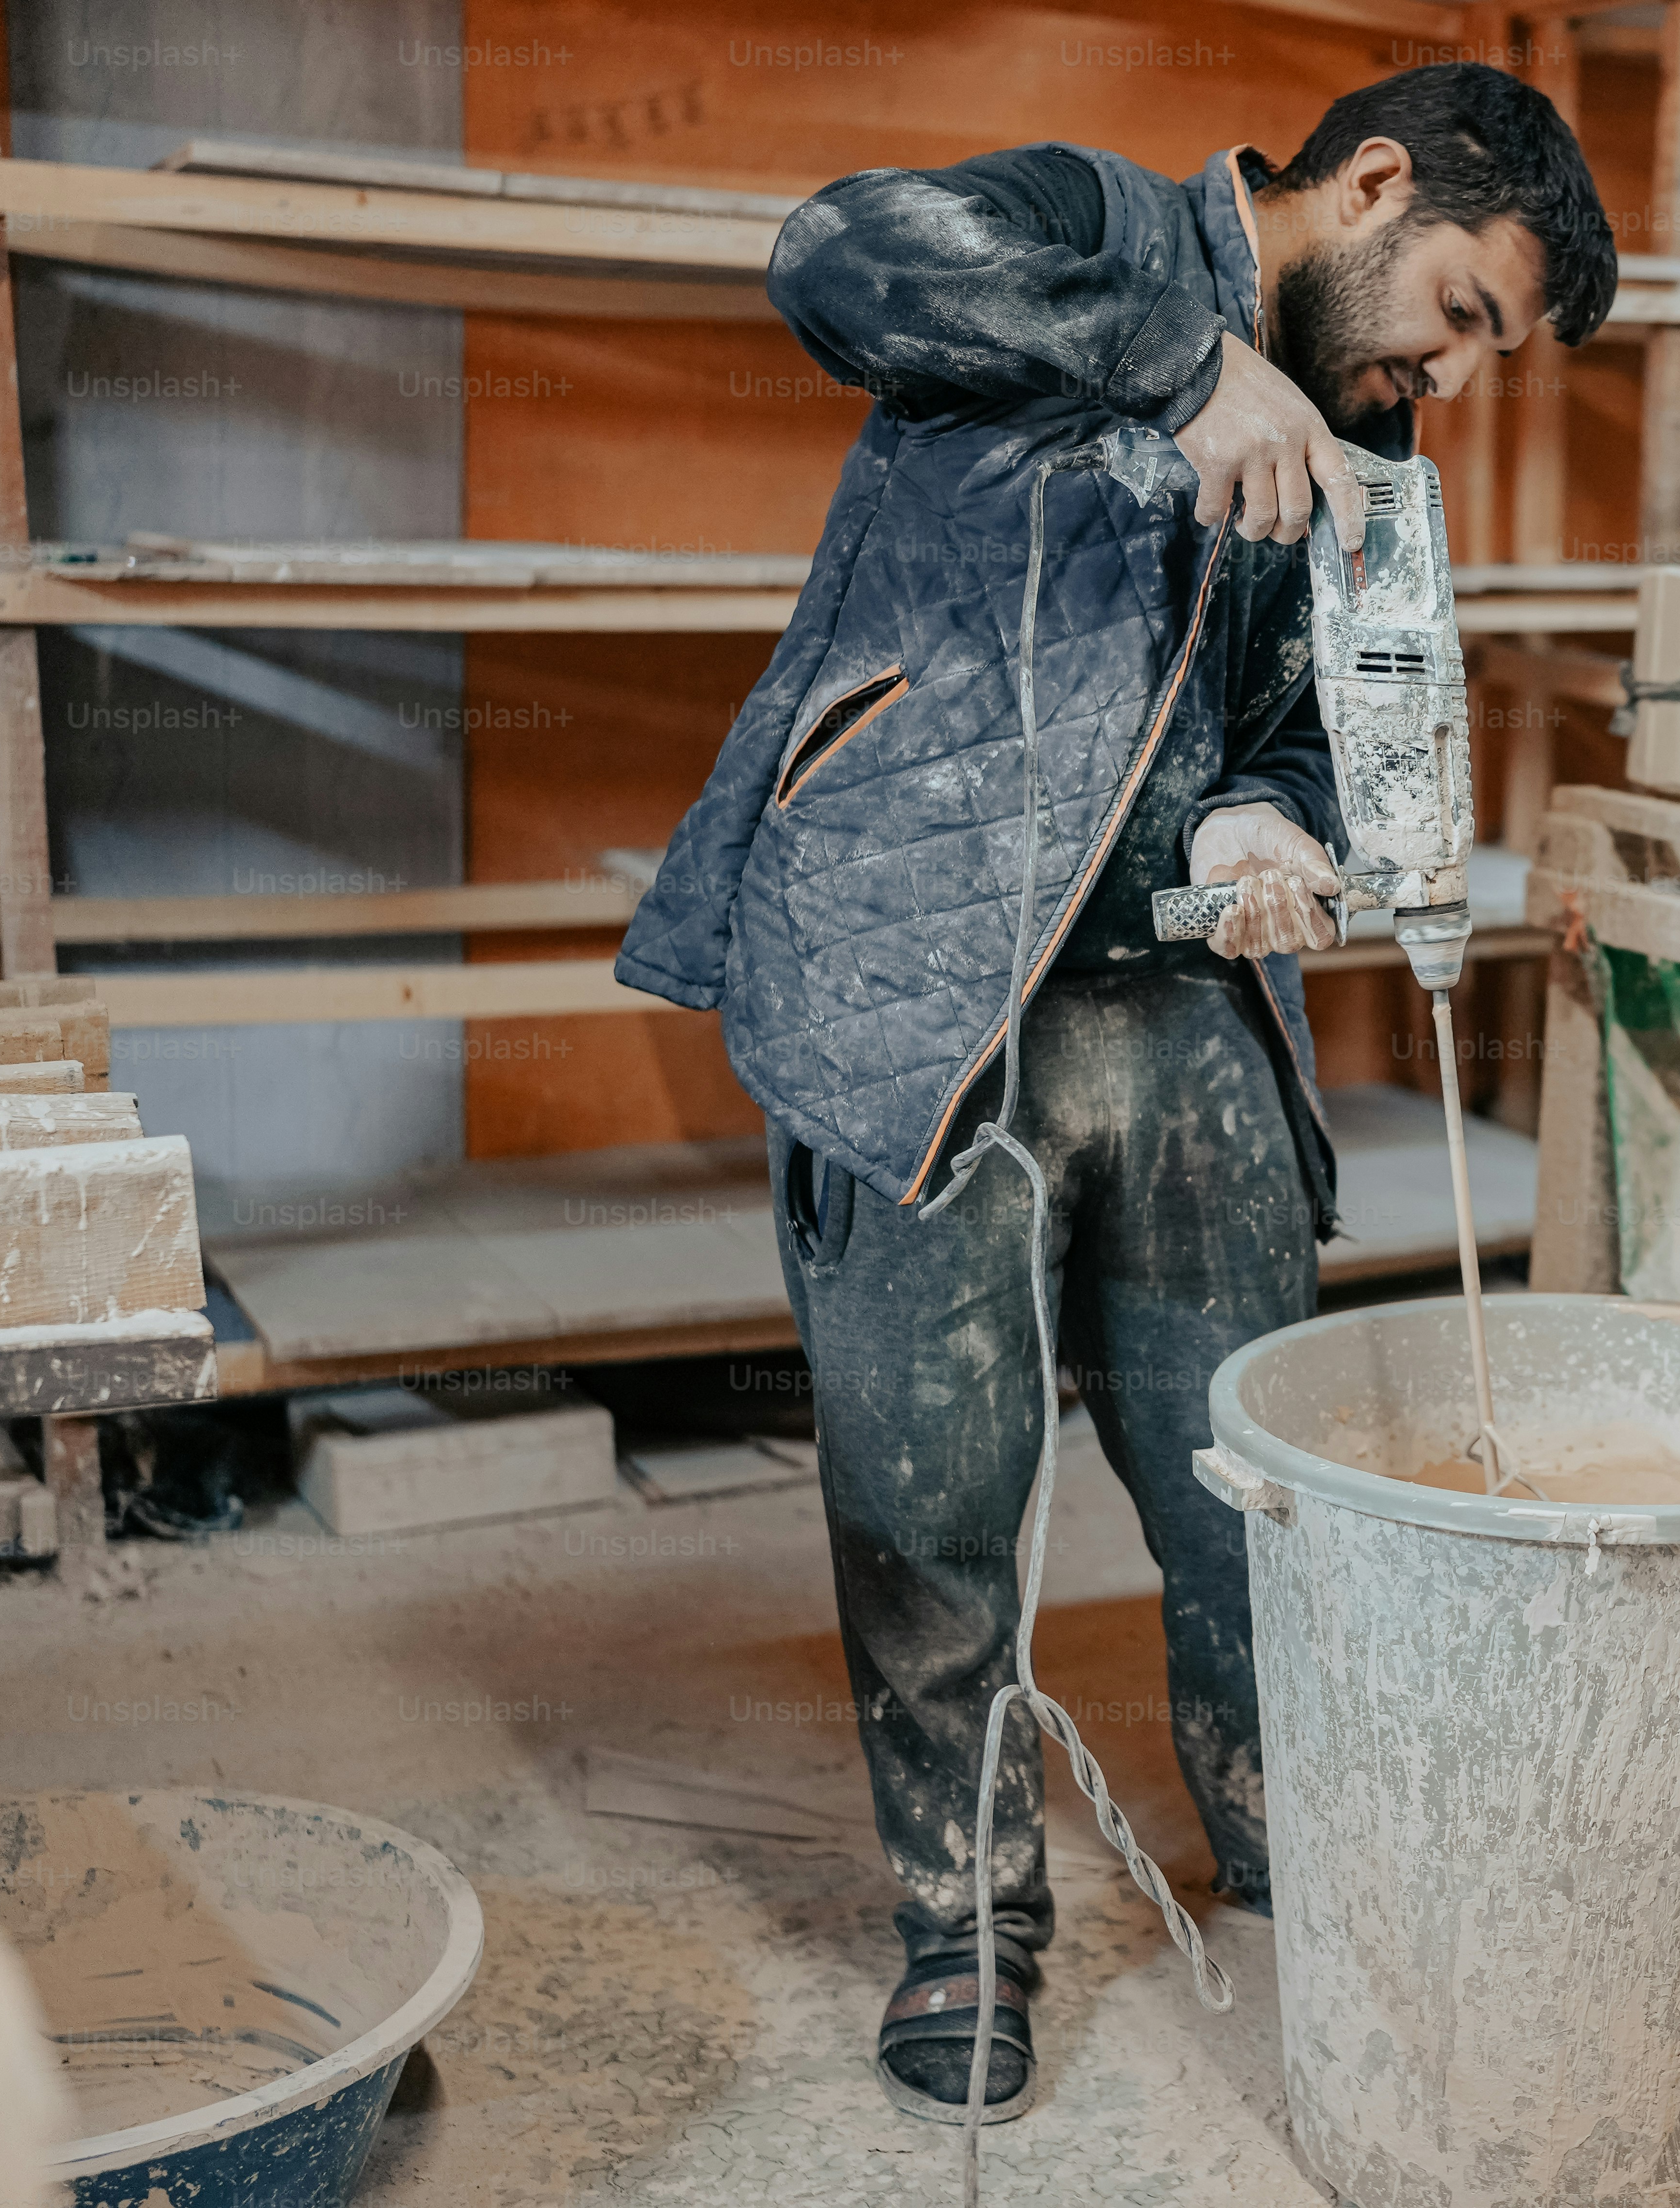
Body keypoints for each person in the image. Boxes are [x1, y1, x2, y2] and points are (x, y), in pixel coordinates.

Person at [616, 63, 1615, 2123]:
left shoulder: (1368, 430)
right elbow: (837, 254)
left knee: (1252, 1470)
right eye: (1459, 310)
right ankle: (967, 1925)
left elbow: (1331, 725)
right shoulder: (1087, 226)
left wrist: (1275, 811)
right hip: (923, 983)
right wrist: (1179, 368)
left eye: (1481, 349)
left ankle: (1281, 1835)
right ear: (1370, 183)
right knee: (932, 1499)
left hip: (1175, 1007)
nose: (1449, 367)